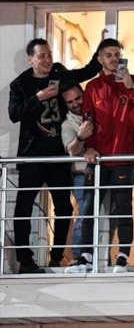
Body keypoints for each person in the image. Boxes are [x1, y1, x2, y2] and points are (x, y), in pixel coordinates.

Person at [8, 38, 101, 273]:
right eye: (42, 56)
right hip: (32, 157)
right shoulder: (21, 84)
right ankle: (25, 260)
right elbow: (14, 114)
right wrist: (38, 97)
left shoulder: (59, 73)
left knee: (64, 208)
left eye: (49, 54)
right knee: (23, 208)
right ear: (30, 59)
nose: (47, 60)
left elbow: (85, 72)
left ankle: (56, 257)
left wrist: (102, 49)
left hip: (59, 156)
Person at [66, 38, 134, 273]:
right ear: (100, 59)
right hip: (99, 159)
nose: (114, 59)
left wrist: (130, 86)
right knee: (89, 208)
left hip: (124, 158)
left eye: (117, 54)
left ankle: (123, 257)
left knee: (123, 209)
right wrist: (88, 148)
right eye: (109, 55)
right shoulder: (93, 87)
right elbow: (88, 120)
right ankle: (85, 257)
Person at [60, 84, 94, 263]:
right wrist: (81, 137)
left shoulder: (97, 113)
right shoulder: (68, 124)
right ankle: (77, 257)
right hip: (81, 174)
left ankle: (97, 258)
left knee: (106, 216)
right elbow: (72, 150)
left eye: (78, 98)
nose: (75, 104)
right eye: (70, 102)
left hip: (103, 172)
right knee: (84, 214)